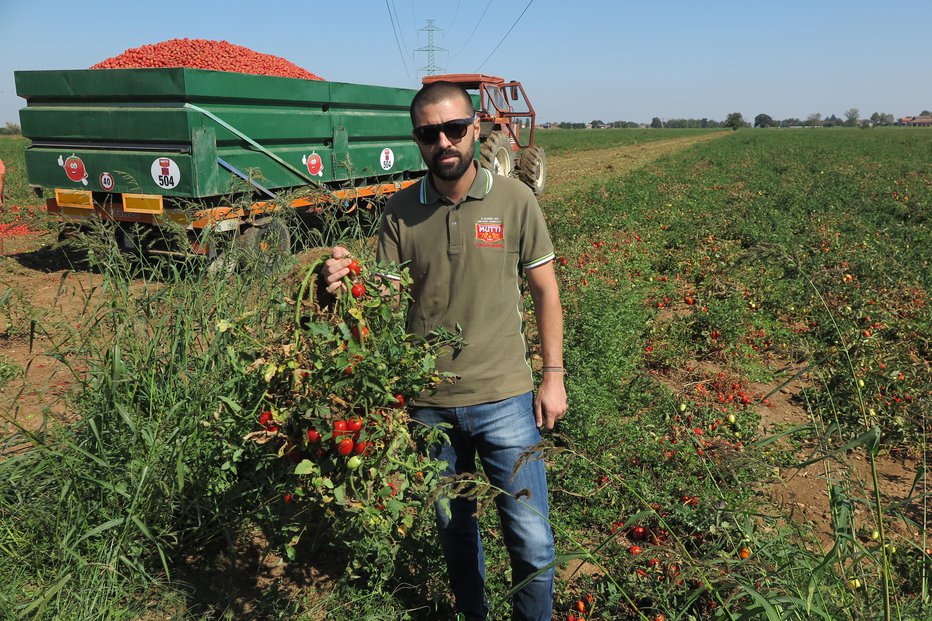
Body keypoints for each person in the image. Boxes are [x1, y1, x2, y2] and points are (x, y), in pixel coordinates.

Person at [321, 81, 567, 620]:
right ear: (418, 140)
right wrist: (343, 285)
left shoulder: (515, 200)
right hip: (428, 406)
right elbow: (382, 302)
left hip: (506, 399)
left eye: (455, 129)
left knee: (533, 540)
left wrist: (553, 374)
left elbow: (546, 290)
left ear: (476, 128)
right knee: (456, 535)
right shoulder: (399, 211)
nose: (445, 142)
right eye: (430, 134)